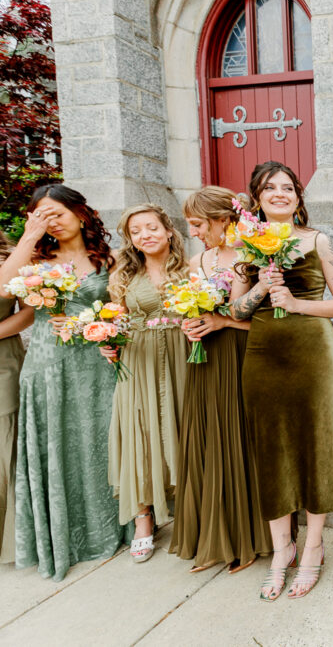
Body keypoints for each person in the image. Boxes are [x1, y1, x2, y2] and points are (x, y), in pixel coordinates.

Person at [230, 161, 333, 601]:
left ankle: (314, 546)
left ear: (298, 198)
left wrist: (298, 305)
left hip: (313, 355)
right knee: (271, 448)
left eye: (288, 187)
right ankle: (282, 549)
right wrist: (261, 289)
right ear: (257, 197)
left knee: (316, 444)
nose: (280, 193)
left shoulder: (317, 240)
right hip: (263, 357)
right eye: (270, 188)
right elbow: (235, 312)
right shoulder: (243, 245)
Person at [5, 184, 128, 581]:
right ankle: (64, 538)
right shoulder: (35, 258)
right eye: (39, 215)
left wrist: (106, 331)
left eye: (55, 213)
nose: (49, 222)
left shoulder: (108, 257)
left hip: (96, 361)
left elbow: (120, 308)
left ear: (80, 212)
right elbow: (10, 296)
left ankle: (118, 525)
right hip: (47, 362)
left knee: (99, 439)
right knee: (57, 444)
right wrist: (29, 236)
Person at [169, 186, 272, 572]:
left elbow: (249, 316)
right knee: (207, 439)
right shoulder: (199, 261)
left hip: (239, 354)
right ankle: (212, 537)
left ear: (222, 219)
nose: (193, 232)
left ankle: (245, 539)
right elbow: (189, 305)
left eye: (198, 224)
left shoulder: (250, 256)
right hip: (204, 359)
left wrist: (219, 320)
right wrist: (190, 324)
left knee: (237, 439)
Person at [105, 204, 189, 562]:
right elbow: (115, 322)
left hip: (184, 356)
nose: (145, 235)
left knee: (183, 427)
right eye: (135, 231)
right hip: (138, 360)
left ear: (168, 230)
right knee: (139, 433)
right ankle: (143, 518)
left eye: (151, 227)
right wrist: (107, 345)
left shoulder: (191, 270)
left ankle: (189, 510)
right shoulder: (122, 276)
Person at [0, 233, 33, 563]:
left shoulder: (13, 258)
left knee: (4, 445)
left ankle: (10, 539)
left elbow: (28, 313)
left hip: (3, 361)